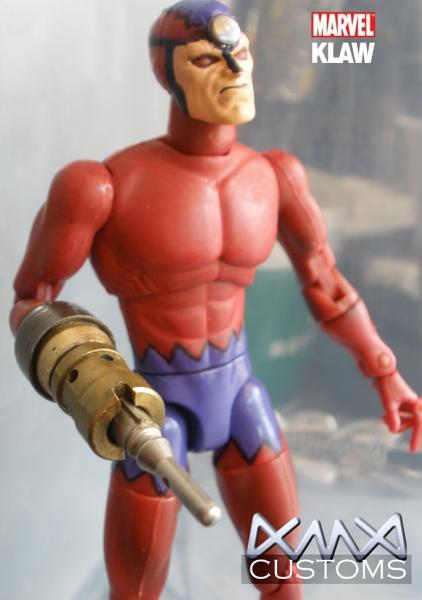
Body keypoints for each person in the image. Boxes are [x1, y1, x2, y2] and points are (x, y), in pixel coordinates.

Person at [11, 2, 422, 599]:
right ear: (167, 73)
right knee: (135, 593)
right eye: (206, 59)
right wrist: (86, 379)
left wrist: (386, 372)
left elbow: (326, 282)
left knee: (283, 577)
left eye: (241, 53)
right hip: (153, 409)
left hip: (241, 397)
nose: (234, 69)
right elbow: (31, 301)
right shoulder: (101, 187)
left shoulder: (275, 176)